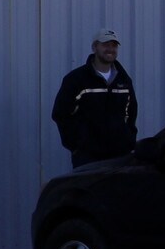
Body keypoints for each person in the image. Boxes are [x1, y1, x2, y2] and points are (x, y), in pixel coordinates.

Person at [52, 29, 138, 168]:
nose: (110, 49)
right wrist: (77, 145)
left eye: (114, 45)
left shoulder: (124, 80)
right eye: (105, 45)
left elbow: (131, 114)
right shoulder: (76, 79)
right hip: (87, 157)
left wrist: (128, 141)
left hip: (119, 156)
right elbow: (61, 114)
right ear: (94, 47)